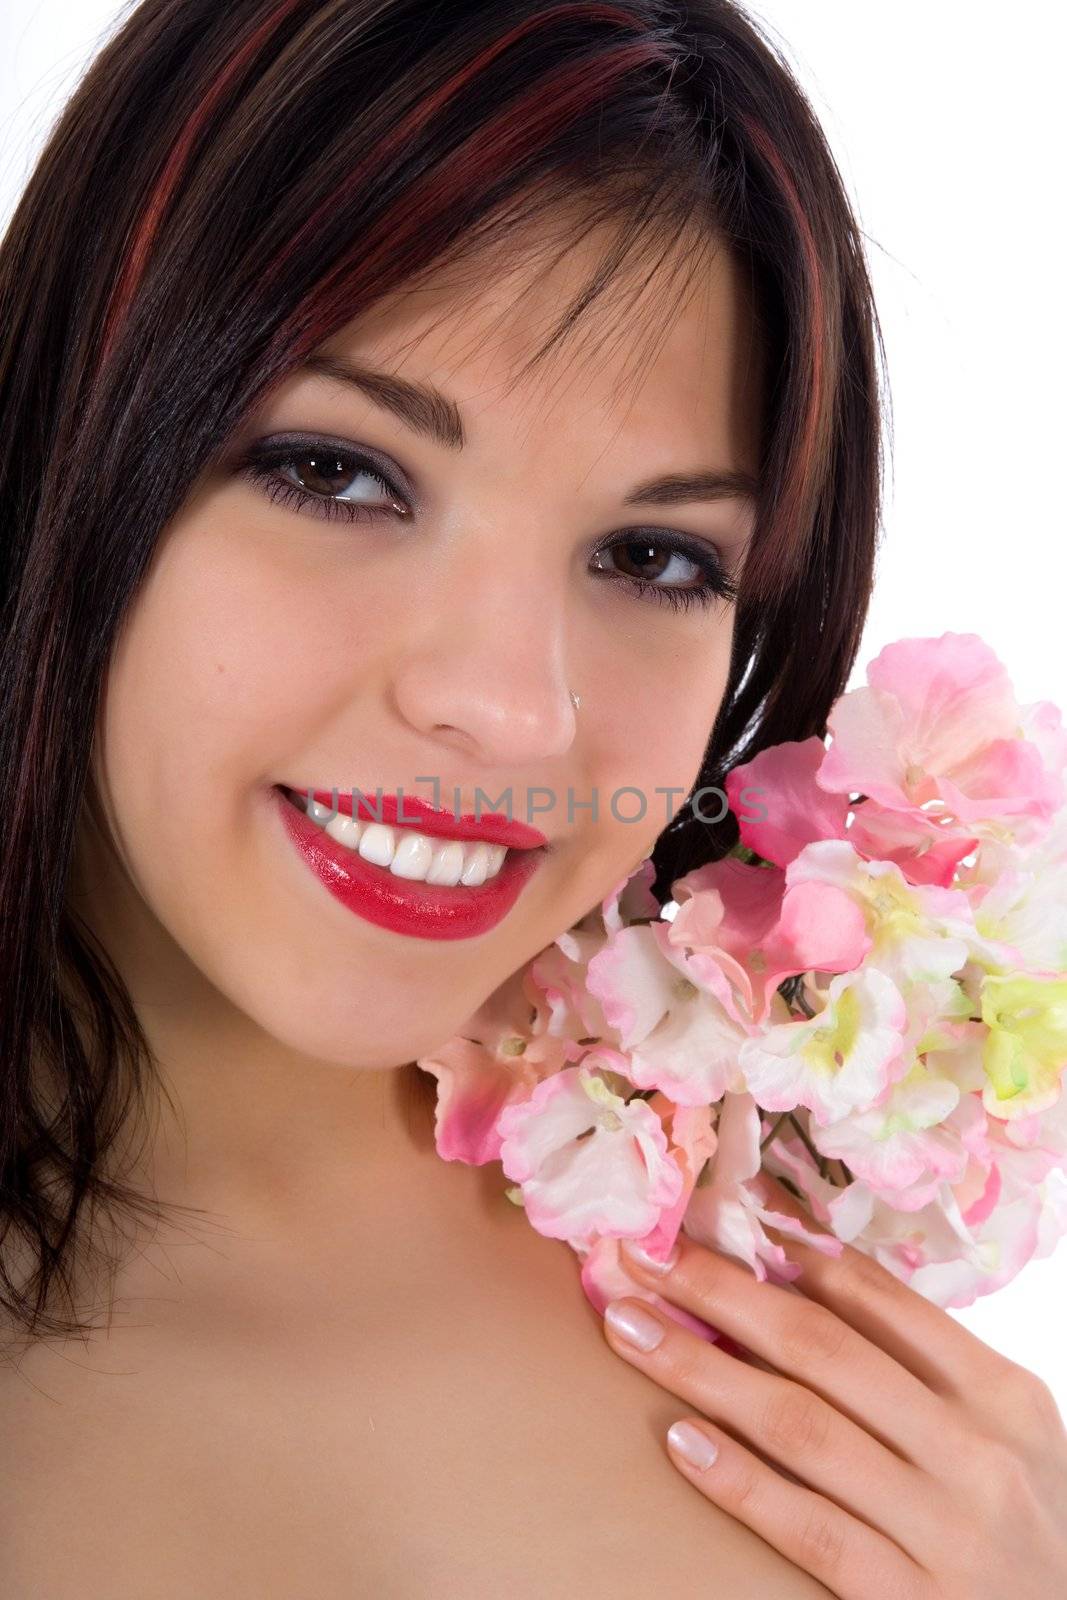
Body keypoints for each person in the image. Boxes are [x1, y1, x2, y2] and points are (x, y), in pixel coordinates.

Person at [0, 1, 914, 1593]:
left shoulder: (759, 1223)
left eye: (654, 557)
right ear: (71, 429)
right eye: (338, 474)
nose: (514, 706)